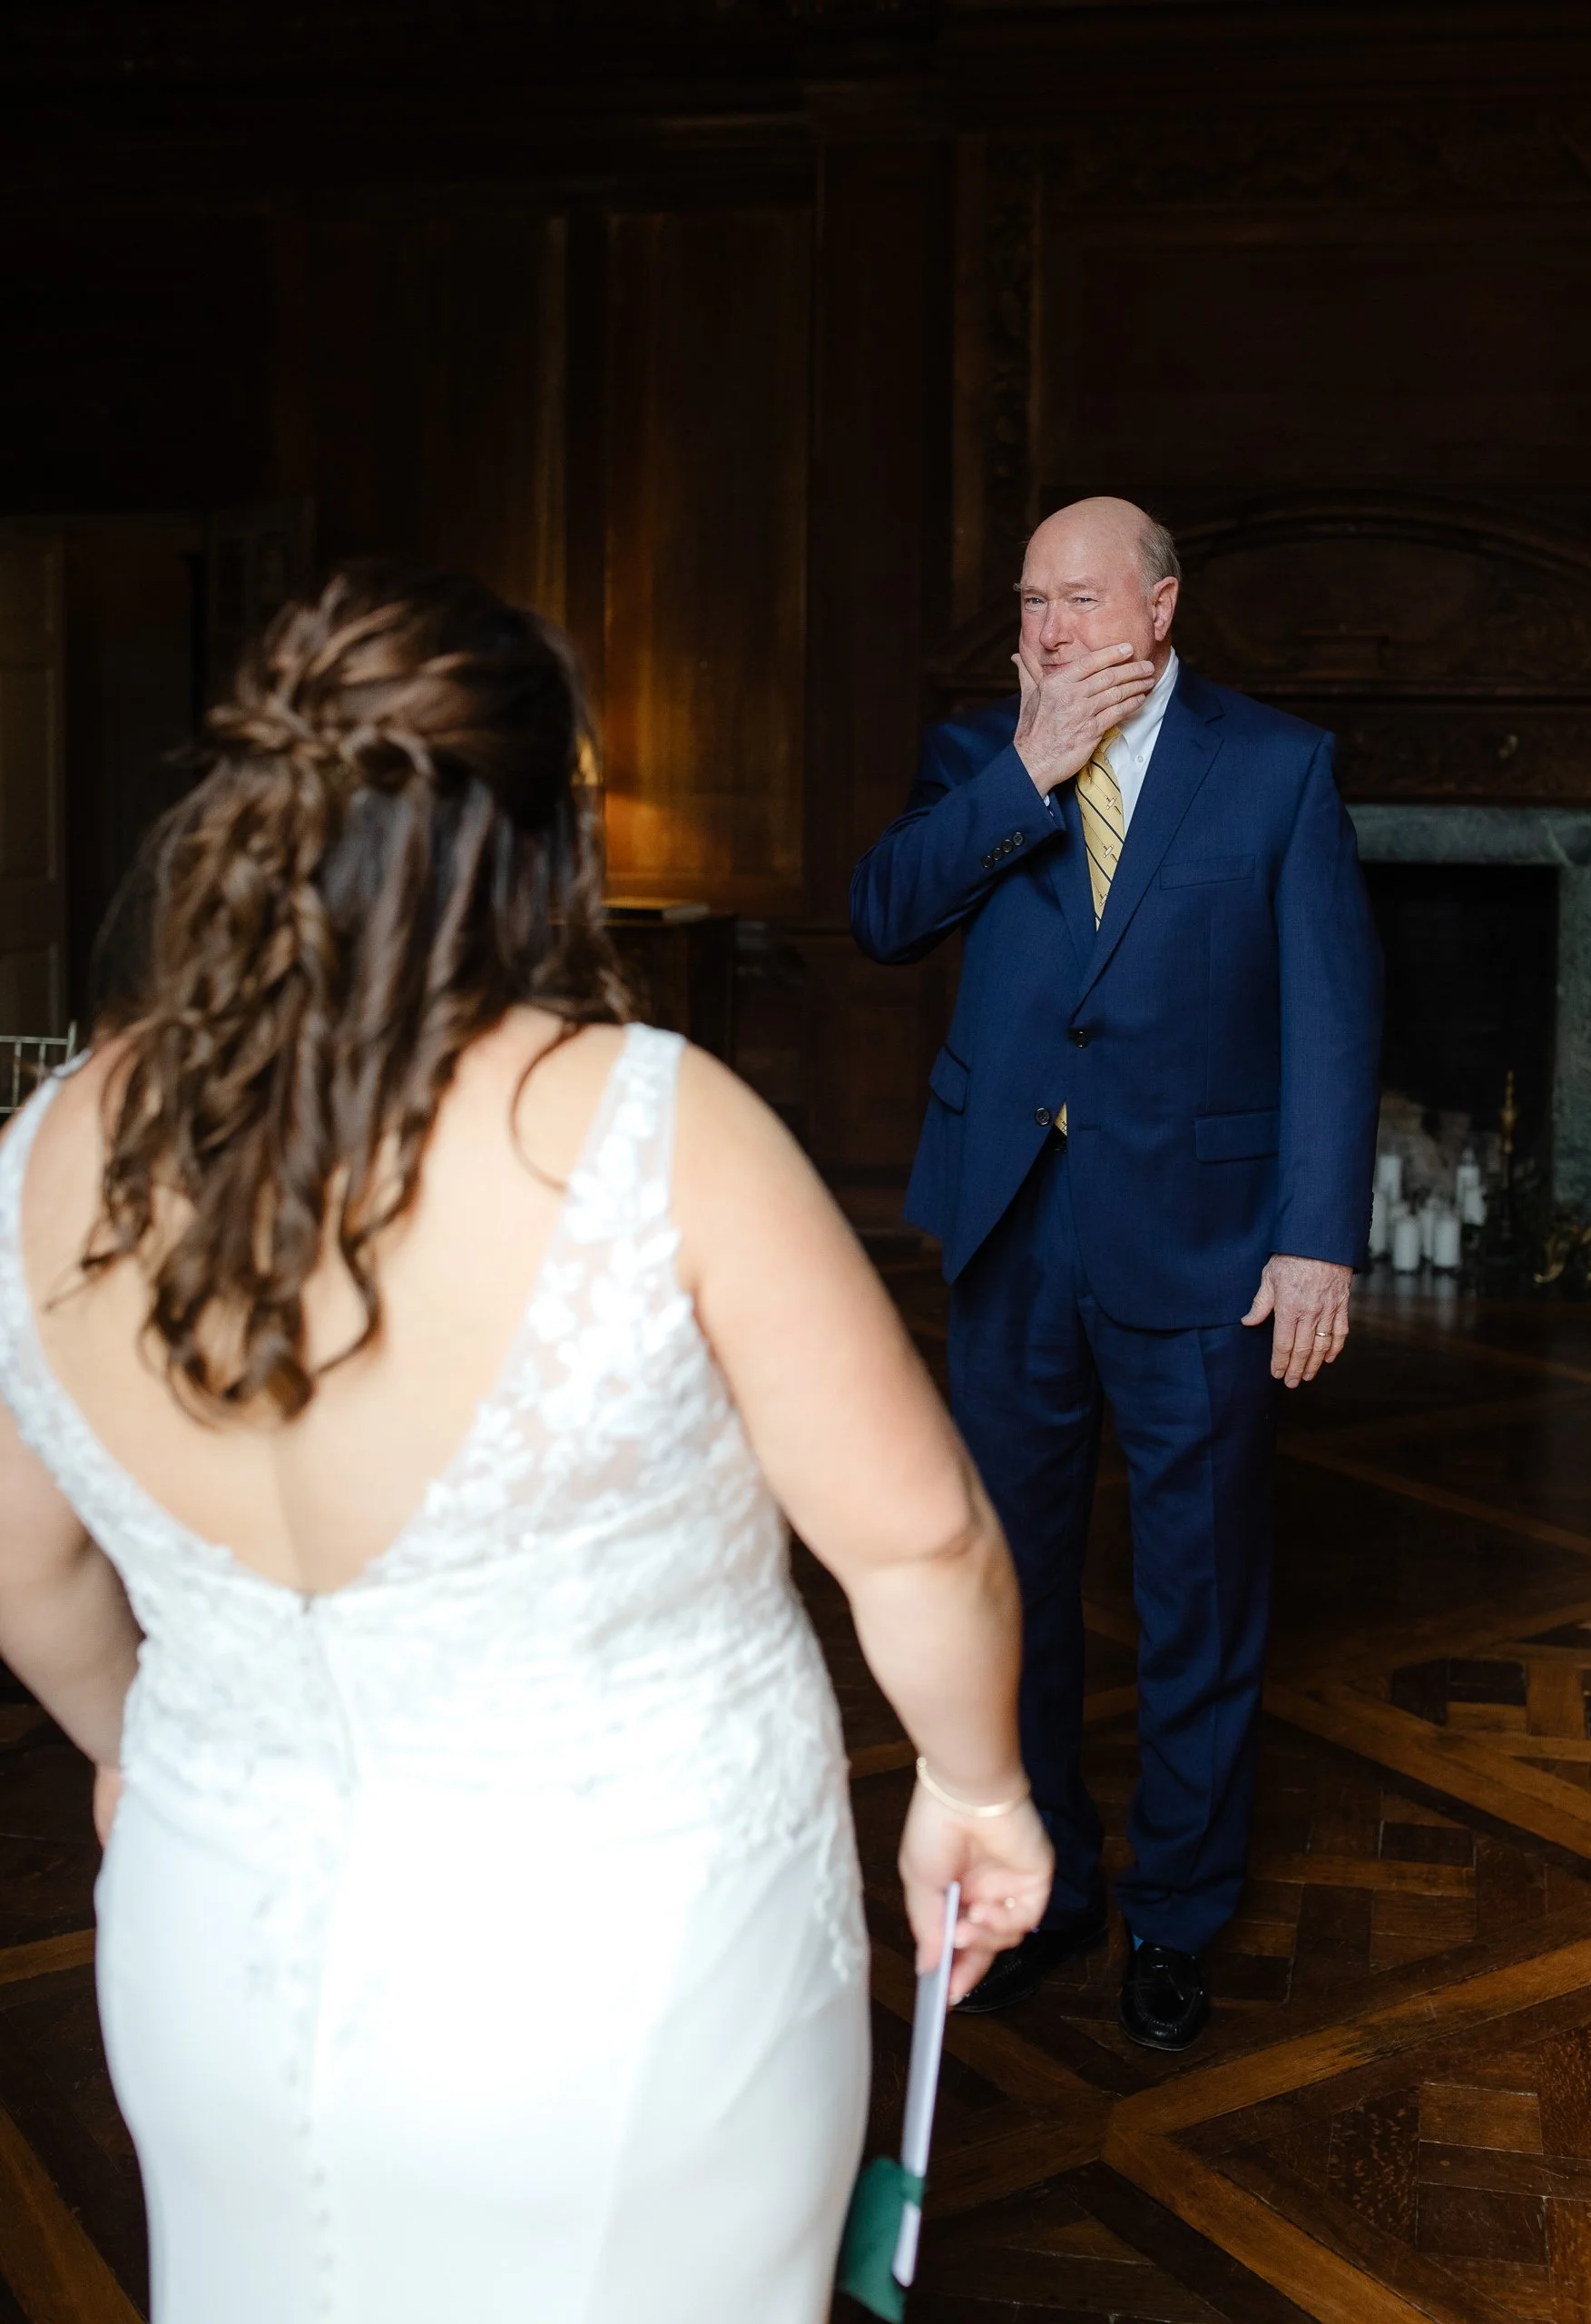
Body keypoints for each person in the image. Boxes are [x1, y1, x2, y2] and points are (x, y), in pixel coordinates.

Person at [0, 566, 1052, 2323]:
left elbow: (28, 1578)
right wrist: (976, 1784)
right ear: (538, 834)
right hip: (620, 1969)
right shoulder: (647, 1121)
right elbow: (921, 1537)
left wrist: (154, 1750)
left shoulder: (48, 1142)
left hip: (217, 1934)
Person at [850, 497, 1380, 2052]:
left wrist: (1318, 1237)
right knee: (1007, 1588)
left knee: (1199, 1596)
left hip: (1209, 1244)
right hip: (1014, 1225)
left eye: (1078, 600)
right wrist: (1027, 768)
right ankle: (1054, 1887)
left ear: (1158, 611)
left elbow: (1332, 1016)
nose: (1047, 629)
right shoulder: (973, 762)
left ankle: (1178, 1914)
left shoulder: (1277, 768)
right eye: (1029, 602)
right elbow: (885, 914)